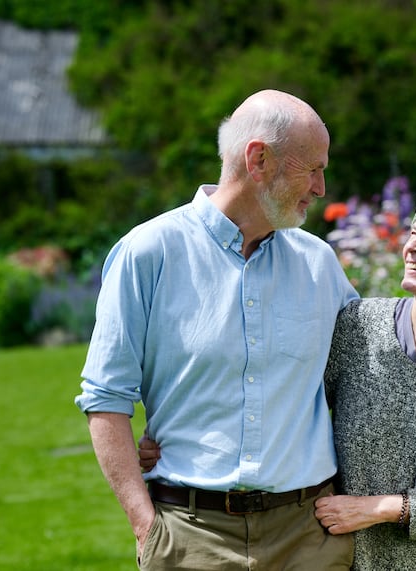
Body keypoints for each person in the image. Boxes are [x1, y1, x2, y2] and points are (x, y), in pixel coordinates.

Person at [141, 188, 416, 569]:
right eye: (414, 231)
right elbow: (281, 401)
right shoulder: (359, 328)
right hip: (356, 561)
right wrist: (185, 435)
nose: (412, 245)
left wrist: (379, 510)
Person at [75, 89, 358, 570]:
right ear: (259, 159)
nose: (321, 187)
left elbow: (368, 373)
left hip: (307, 538)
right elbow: (106, 398)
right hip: (190, 540)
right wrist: (147, 528)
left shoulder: (320, 264)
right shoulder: (148, 253)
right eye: (312, 168)